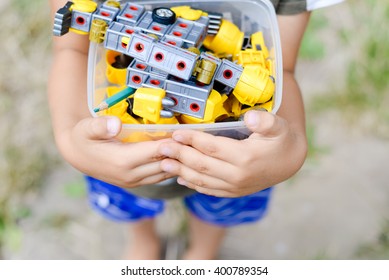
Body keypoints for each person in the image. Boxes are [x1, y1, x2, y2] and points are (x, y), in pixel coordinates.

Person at [48, 0, 343, 259]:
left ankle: (202, 252)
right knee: (130, 196)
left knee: (221, 204)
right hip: (126, 142)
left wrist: (291, 151)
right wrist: (70, 140)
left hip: (232, 153)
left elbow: (281, 71)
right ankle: (143, 241)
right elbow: (72, 48)